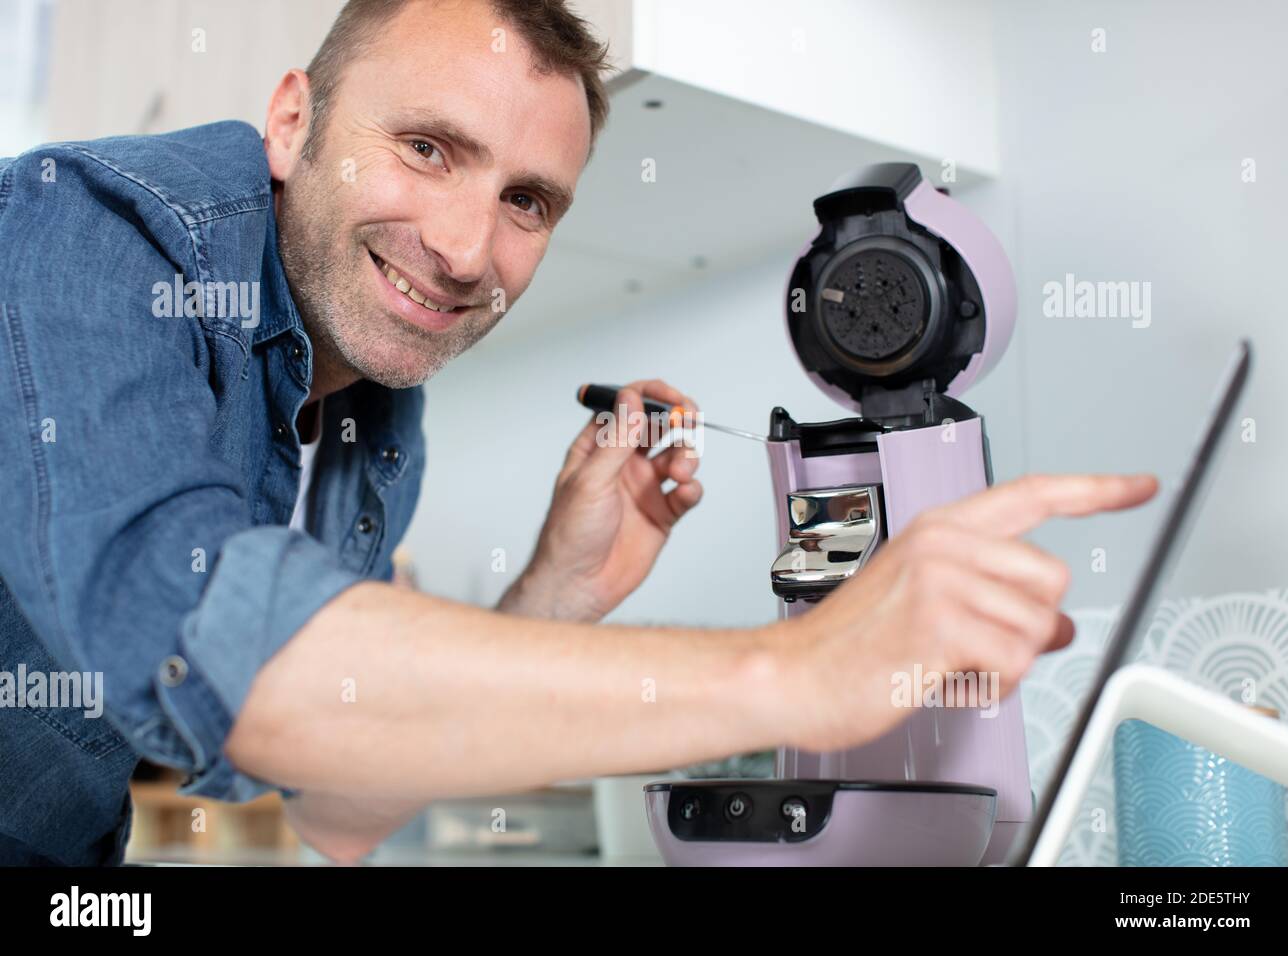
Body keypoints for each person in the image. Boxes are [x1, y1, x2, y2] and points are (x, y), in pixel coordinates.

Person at [0, 0, 1157, 865]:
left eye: (526, 200)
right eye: (427, 147)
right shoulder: (88, 234)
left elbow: (338, 810)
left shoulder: (372, 408)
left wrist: (557, 585)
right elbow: (237, 667)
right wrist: (798, 669)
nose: (464, 248)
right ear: (293, 118)